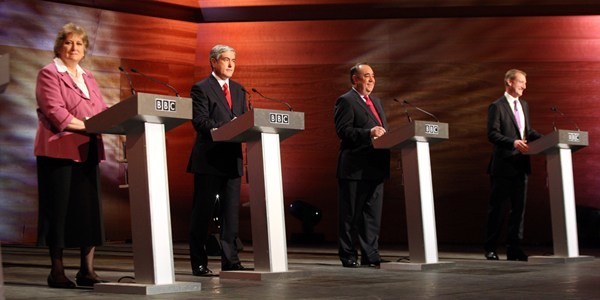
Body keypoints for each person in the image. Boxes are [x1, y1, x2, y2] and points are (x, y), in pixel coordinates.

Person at [35, 22, 108, 288]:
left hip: (88, 150)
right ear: (59, 46)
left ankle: (86, 270)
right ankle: (56, 271)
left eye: (79, 43)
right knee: (60, 212)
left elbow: (102, 108)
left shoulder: (88, 77)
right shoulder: (49, 73)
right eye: (69, 42)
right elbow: (55, 112)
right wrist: (89, 124)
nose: (74, 48)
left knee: (88, 212)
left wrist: (112, 120)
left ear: (85, 49)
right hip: (59, 151)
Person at [187, 44, 248, 276]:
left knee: (230, 214)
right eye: (225, 59)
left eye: (234, 59)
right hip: (209, 160)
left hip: (232, 159)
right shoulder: (201, 88)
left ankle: (230, 261)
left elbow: (245, 121)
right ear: (213, 62)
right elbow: (200, 122)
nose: (231, 64)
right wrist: (229, 126)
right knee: (202, 213)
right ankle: (199, 263)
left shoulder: (240, 90)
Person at [334, 63, 390, 268]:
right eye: (366, 76)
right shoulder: (346, 101)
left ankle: (370, 254)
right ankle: (348, 254)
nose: (371, 79)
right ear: (355, 79)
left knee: (372, 216)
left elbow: (383, 130)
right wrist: (369, 133)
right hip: (354, 168)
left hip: (375, 166)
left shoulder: (376, 101)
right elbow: (343, 131)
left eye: (373, 76)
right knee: (350, 215)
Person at [484, 69, 542, 261]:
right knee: (498, 209)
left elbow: (527, 131)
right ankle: (491, 248)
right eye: (521, 82)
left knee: (518, 210)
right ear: (509, 82)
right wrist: (513, 142)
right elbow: (492, 134)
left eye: (525, 83)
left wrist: (549, 139)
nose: (524, 86)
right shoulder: (497, 106)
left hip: (521, 165)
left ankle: (514, 249)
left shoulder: (524, 105)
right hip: (503, 166)